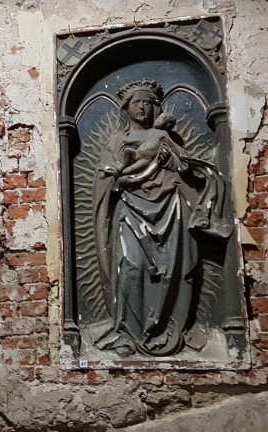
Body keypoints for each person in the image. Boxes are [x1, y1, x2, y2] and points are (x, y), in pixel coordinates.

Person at [90, 80, 229, 356]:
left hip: (170, 208)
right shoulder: (117, 141)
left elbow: (186, 168)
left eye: (147, 102)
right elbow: (105, 181)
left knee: (171, 270)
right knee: (130, 267)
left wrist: (171, 159)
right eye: (136, 102)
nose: (142, 106)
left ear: (156, 107)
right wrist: (119, 176)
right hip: (129, 210)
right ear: (125, 108)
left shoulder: (166, 138)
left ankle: (172, 326)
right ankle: (128, 332)